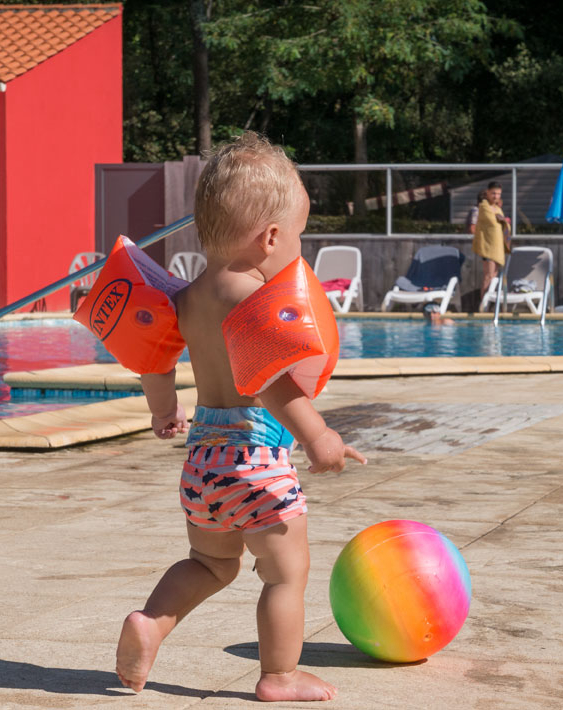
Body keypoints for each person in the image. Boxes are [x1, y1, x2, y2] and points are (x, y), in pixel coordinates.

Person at [115, 131, 366, 702]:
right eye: (298, 237)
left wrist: (163, 410)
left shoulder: (186, 296)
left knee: (209, 563)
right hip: (258, 461)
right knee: (284, 573)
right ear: (271, 237)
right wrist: (319, 436)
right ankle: (279, 675)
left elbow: (153, 359)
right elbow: (270, 382)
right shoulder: (250, 301)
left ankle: (151, 622)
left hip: (203, 462)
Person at [470, 182, 512, 307]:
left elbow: (504, 225)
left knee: (494, 276)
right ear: (487, 192)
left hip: (498, 247)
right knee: (488, 276)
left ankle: (490, 304)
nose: (496, 196)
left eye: (498, 194)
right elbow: (493, 223)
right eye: (493, 193)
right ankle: (483, 305)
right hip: (488, 246)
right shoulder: (484, 206)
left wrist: (503, 221)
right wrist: (504, 221)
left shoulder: (498, 209)